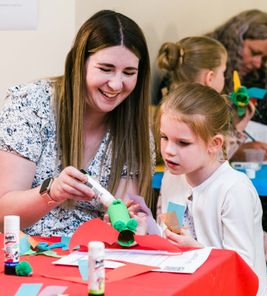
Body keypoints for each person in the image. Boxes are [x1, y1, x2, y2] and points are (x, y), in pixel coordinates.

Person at [0, 10, 154, 237]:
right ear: (79, 64)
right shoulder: (31, 105)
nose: (116, 84)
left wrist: (127, 225)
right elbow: (4, 217)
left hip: (96, 254)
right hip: (26, 251)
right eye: (105, 69)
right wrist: (53, 192)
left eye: (129, 72)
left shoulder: (135, 133)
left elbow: (124, 213)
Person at [156, 82, 267, 296]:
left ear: (215, 143)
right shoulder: (172, 178)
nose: (169, 151)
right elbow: (172, 229)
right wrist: (146, 228)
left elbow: (241, 268)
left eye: (183, 142)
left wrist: (196, 250)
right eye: (164, 138)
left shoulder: (234, 190)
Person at [155, 36, 267, 159]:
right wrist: (238, 129)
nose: (224, 78)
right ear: (209, 78)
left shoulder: (169, 105)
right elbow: (216, 159)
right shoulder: (197, 115)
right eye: (223, 72)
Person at [207, 9, 267, 129]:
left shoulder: (259, 70)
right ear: (236, 39)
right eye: (254, 52)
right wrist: (239, 146)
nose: (258, 64)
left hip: (266, 139)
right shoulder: (212, 67)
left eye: (265, 58)